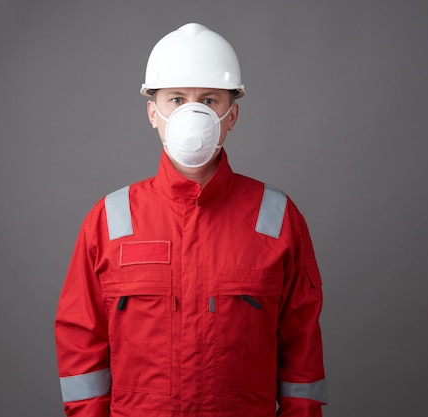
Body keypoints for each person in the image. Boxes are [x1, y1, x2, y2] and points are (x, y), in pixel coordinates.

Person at [55, 22, 327, 417]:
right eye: (177, 99)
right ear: (153, 112)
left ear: (231, 115)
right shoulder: (110, 220)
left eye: (210, 100)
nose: (193, 114)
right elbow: (81, 340)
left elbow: (302, 342)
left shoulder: (276, 217)